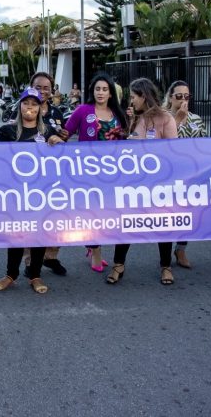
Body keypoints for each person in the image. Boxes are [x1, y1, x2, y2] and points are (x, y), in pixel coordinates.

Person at [0, 87, 64, 295]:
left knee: (39, 234)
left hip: (41, 193)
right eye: (26, 103)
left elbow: (63, 160)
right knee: (16, 234)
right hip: (16, 193)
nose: (30, 107)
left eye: (34, 104)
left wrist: (59, 143)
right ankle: (10, 275)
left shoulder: (48, 131)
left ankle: (35, 275)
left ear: (40, 108)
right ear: (20, 106)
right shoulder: (7, 130)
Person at [107, 78, 178, 286]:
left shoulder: (166, 118)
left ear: (143, 96)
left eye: (133, 96)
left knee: (163, 224)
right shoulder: (134, 118)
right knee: (127, 223)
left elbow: (173, 150)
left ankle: (166, 266)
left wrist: (145, 144)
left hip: (159, 183)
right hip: (134, 183)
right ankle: (118, 264)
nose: (131, 101)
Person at [65, 72, 128, 273]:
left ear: (111, 93)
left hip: (113, 174)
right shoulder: (83, 111)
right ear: (92, 91)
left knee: (108, 214)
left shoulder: (118, 114)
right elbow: (66, 133)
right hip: (88, 173)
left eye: (105, 89)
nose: (100, 93)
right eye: (97, 89)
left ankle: (92, 246)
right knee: (93, 214)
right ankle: (97, 252)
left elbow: (127, 141)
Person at [163, 80, 208, 269]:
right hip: (167, 173)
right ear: (170, 97)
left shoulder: (196, 119)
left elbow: (205, 146)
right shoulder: (162, 117)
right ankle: (164, 256)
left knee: (187, 213)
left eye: (186, 96)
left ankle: (181, 248)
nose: (183, 100)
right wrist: (178, 120)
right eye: (178, 96)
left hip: (190, 174)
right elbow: (159, 145)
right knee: (166, 215)